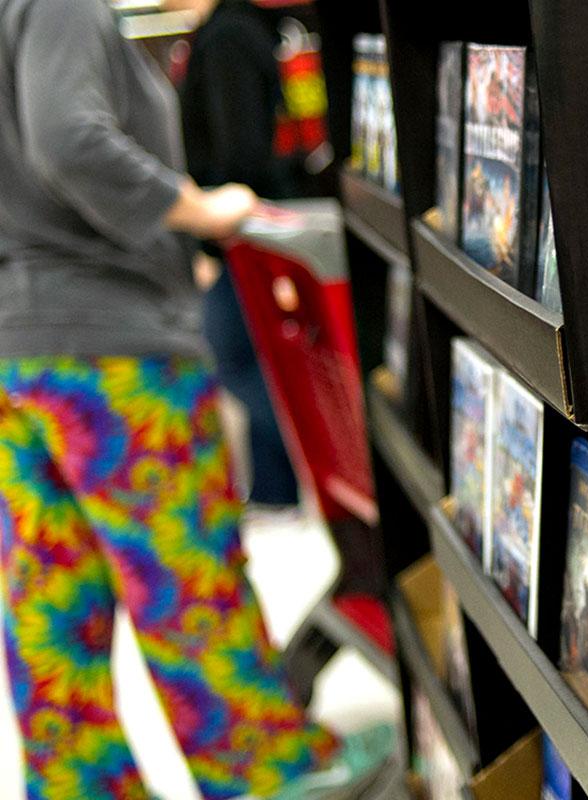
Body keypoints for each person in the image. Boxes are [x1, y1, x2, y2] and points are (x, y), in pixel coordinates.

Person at [0, 0, 386, 797]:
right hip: (114, 349)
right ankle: (265, 776)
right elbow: (70, 142)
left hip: (20, 349)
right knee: (185, 576)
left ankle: (79, 785)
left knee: (51, 598)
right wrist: (200, 210)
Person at [179, 0, 301, 513]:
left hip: (238, 233)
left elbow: (241, 152)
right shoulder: (230, 30)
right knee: (254, 357)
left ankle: (302, 465)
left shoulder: (227, 36)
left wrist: (210, 242)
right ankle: (275, 490)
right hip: (243, 228)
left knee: (234, 356)